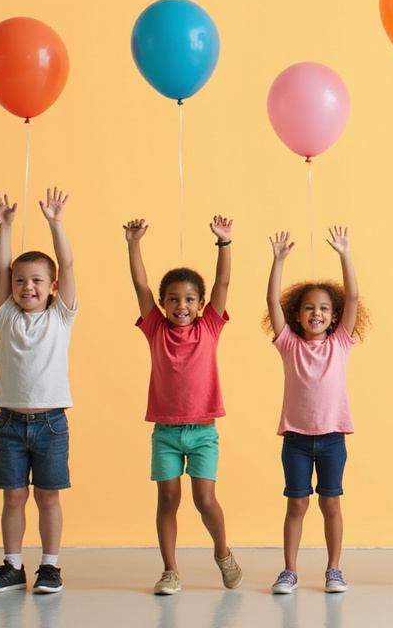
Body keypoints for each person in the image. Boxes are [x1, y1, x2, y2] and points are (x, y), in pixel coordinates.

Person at [125, 216, 242, 595]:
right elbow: (140, 284)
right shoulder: (155, 328)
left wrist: (224, 244)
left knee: (205, 500)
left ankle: (223, 553)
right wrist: (133, 244)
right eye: (173, 299)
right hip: (166, 433)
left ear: (201, 304)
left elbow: (223, 282)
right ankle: (170, 571)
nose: (181, 305)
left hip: (203, 432)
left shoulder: (209, 326)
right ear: (162, 304)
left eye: (189, 299)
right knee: (168, 498)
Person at [0, 189, 76, 595]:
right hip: (10, 423)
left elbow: (67, 264)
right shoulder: (6, 316)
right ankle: (13, 565)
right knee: (13, 498)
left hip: (51, 423)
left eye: (37, 280)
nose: (27, 287)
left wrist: (55, 222)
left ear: (53, 287)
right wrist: (5, 227)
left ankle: (49, 567)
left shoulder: (61, 316)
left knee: (49, 499)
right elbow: (1, 267)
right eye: (20, 281)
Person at [264, 228, 369, 595]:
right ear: (297, 314)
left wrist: (345, 253)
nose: (316, 313)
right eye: (309, 307)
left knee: (331, 503)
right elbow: (272, 304)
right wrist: (278, 261)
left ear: (334, 315)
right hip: (295, 439)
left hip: (331, 439)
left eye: (324, 308)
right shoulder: (289, 345)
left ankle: (334, 569)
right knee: (297, 505)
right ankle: (290, 570)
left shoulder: (340, 342)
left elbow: (353, 295)